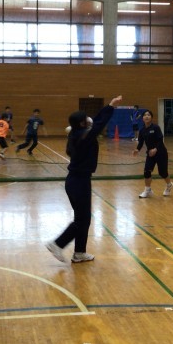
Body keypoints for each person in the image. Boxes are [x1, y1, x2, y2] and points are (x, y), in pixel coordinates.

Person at [46, 95, 122, 264]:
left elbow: (94, 122)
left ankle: (79, 253)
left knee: (83, 218)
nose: (89, 119)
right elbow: (99, 124)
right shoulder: (84, 136)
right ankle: (57, 244)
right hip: (78, 183)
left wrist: (109, 105)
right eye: (85, 118)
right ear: (81, 123)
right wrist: (110, 107)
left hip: (76, 181)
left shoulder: (77, 134)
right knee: (82, 219)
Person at [133, 110, 173, 198]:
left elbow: (160, 140)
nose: (146, 116)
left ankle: (169, 185)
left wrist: (155, 149)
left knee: (163, 172)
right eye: (145, 115)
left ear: (151, 117)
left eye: (148, 115)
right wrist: (137, 149)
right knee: (146, 171)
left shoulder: (155, 127)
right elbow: (141, 142)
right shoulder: (142, 130)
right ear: (142, 118)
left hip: (161, 153)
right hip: (150, 154)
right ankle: (147, 190)